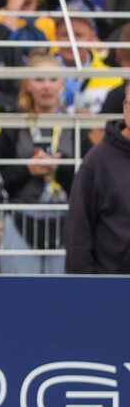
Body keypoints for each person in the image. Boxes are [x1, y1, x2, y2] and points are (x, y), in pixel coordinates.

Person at [0, 51, 75, 274]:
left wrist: (62, 168)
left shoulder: (77, 125)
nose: (46, 86)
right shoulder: (12, 126)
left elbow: (86, 184)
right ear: (28, 84)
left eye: (52, 80)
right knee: (20, 296)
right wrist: (27, 169)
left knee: (61, 299)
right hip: (20, 220)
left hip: (65, 221)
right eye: (39, 80)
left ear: (62, 85)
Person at [64, 89, 130, 274]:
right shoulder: (97, 162)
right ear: (125, 107)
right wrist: (85, 291)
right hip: (111, 290)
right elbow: (78, 233)